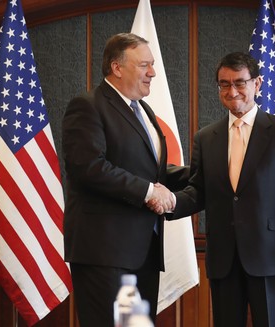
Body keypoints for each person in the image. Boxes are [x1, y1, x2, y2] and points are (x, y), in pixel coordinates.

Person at [150, 52, 275, 327]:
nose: (232, 91)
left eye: (240, 82)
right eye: (224, 84)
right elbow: (199, 190)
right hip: (224, 260)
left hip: (270, 259)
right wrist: (169, 202)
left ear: (257, 84)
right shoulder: (206, 137)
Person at [62, 32, 187, 327]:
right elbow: (89, 167)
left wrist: (205, 171)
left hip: (142, 252)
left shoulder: (143, 110)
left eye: (152, 65)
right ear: (117, 67)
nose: (152, 72)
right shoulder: (88, 105)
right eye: (145, 65)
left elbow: (151, 172)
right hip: (104, 253)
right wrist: (148, 192)